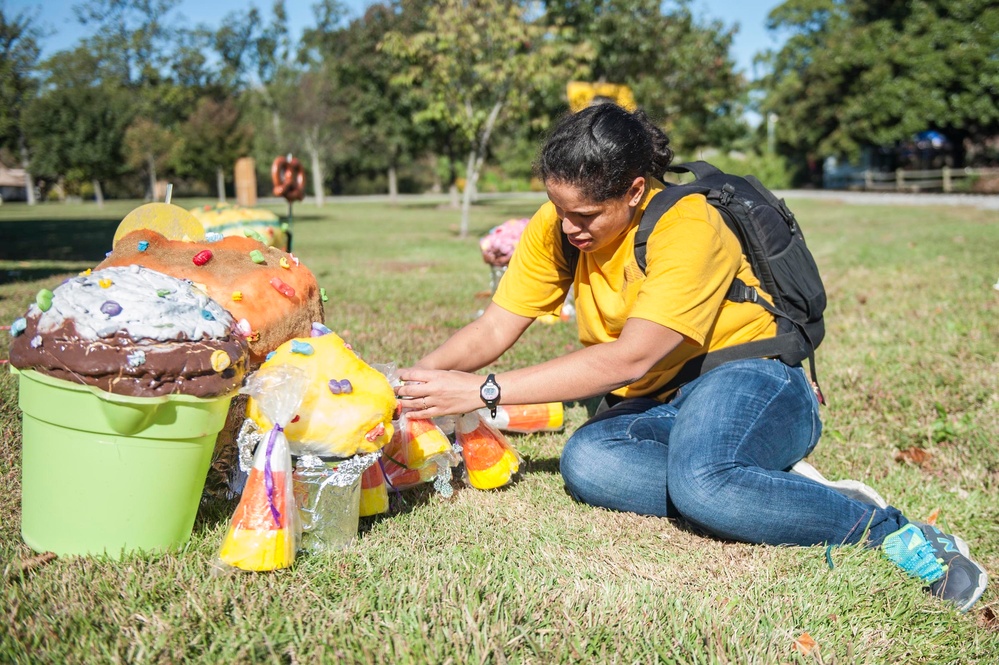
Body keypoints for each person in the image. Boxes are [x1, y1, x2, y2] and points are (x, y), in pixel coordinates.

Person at [395, 103, 988, 612]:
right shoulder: (558, 223)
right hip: (662, 399)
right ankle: (757, 483)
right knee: (588, 463)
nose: (567, 226)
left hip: (753, 376)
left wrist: (482, 391)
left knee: (704, 486)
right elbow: (498, 324)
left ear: (633, 190)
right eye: (559, 208)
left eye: (585, 216)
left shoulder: (688, 225)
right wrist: (407, 384)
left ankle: (884, 528)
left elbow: (630, 358)